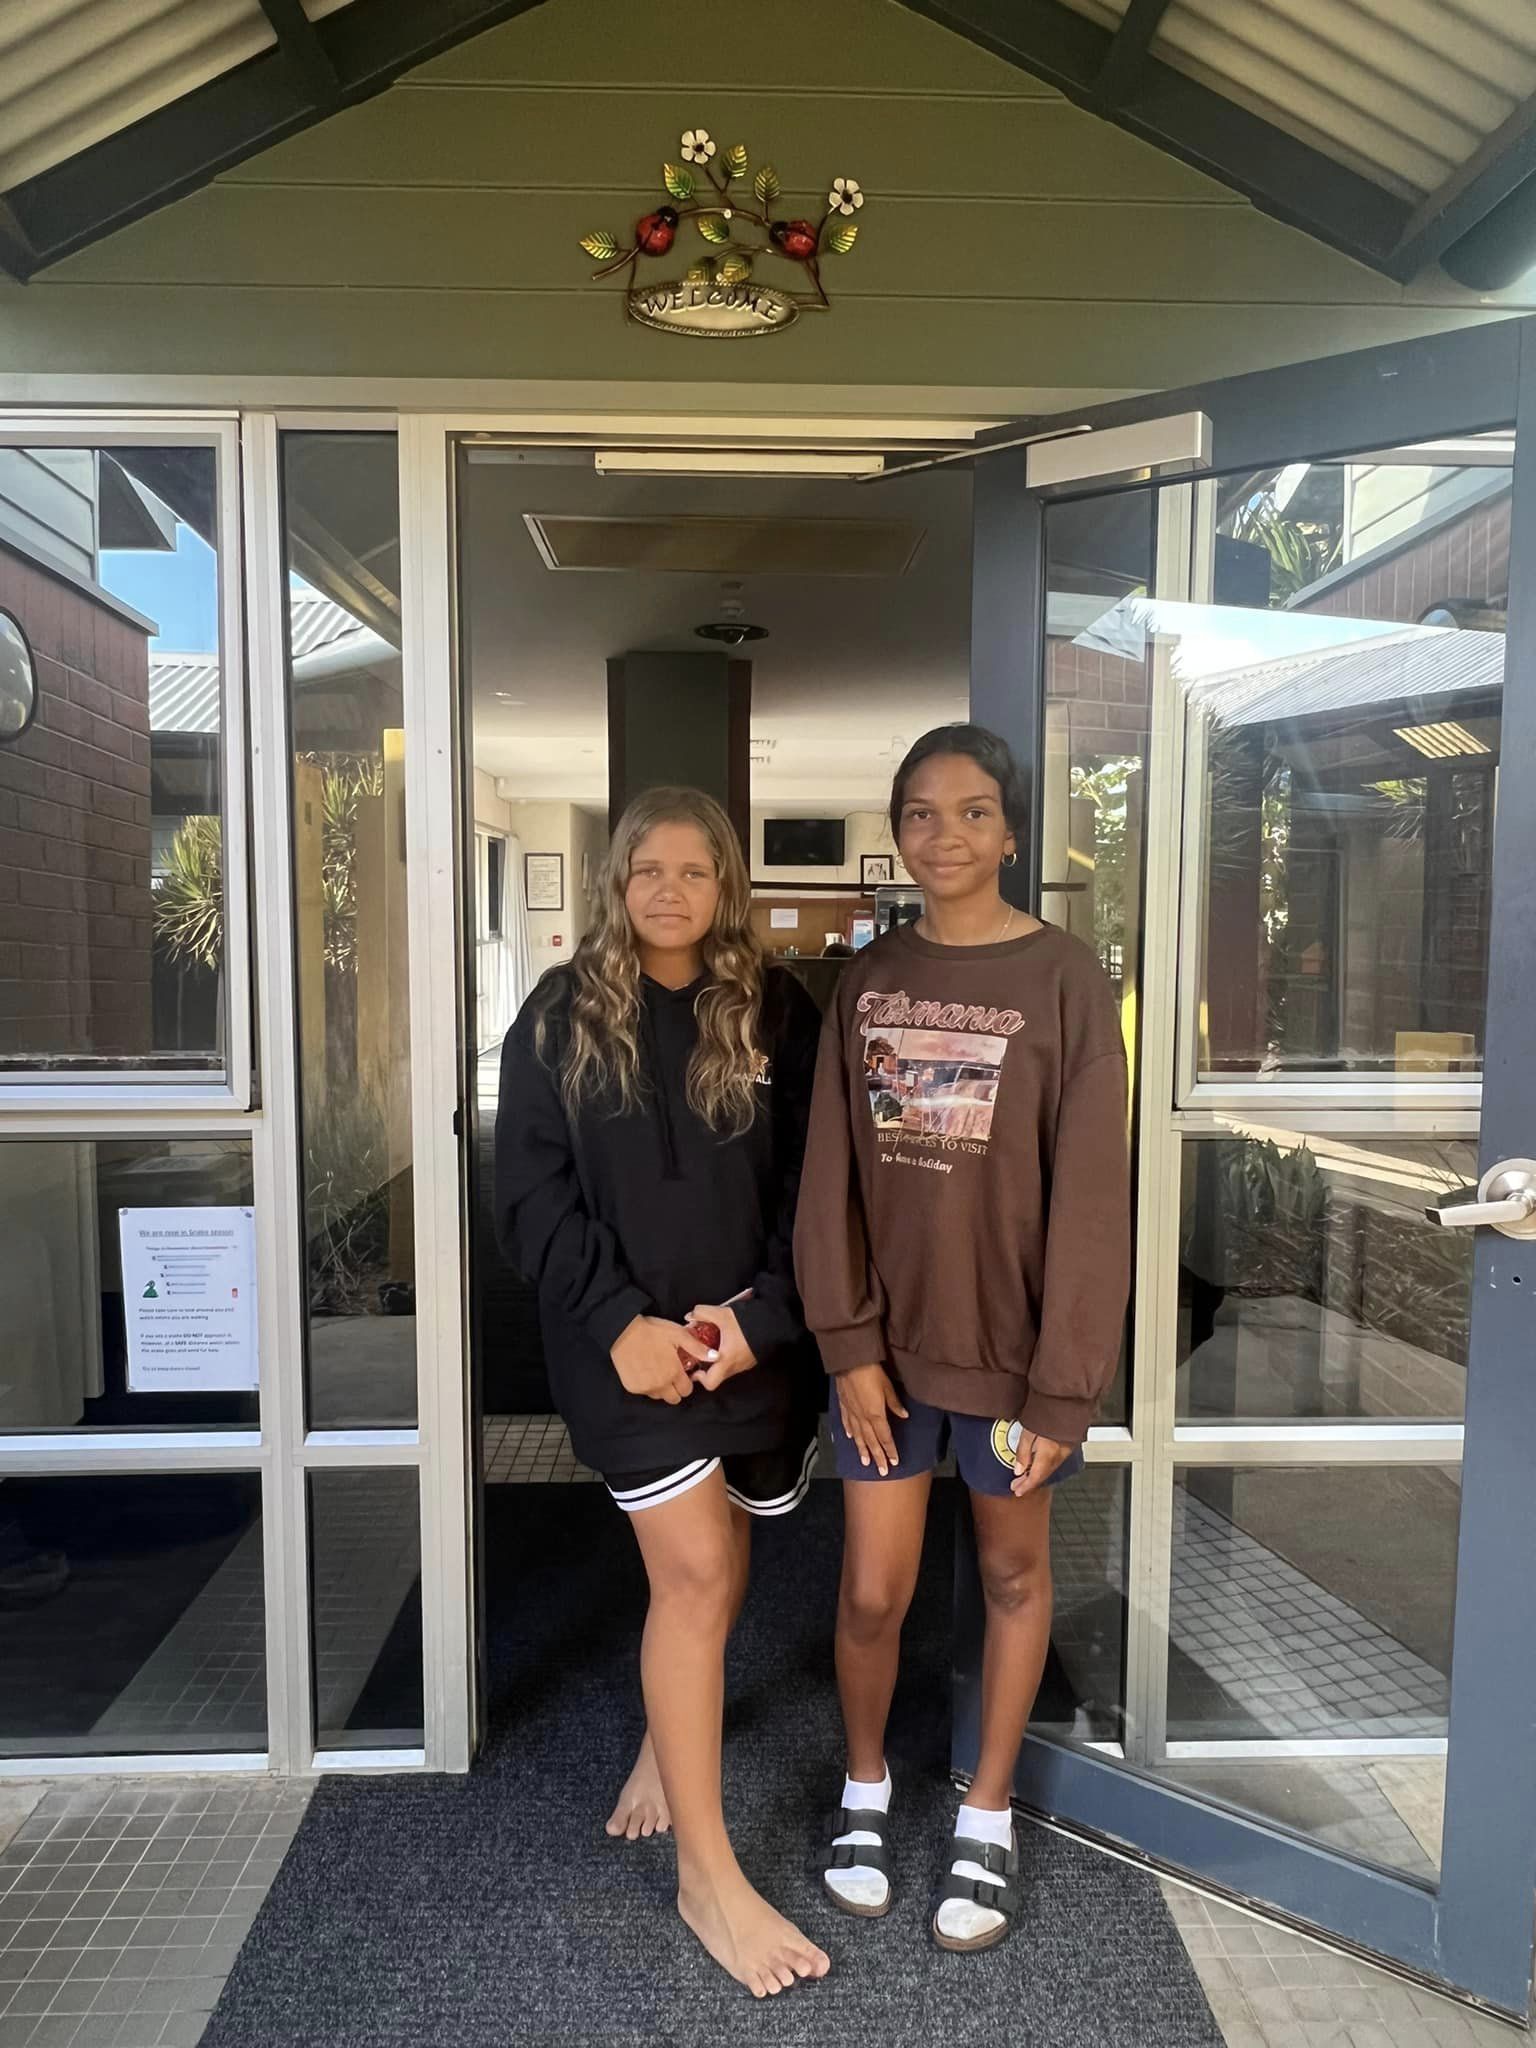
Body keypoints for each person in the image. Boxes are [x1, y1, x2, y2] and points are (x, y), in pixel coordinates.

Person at [794, 724, 1130, 1952]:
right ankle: (868, 1785)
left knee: (1007, 1576)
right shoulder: (867, 983)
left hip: (1012, 1367)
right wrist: (846, 1343)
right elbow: (829, 1175)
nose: (947, 835)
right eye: (923, 813)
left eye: (974, 811)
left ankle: (986, 1814)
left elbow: (1097, 1196)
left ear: (1012, 829)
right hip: (884, 1359)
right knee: (874, 1589)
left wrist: (1062, 1389)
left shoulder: (1066, 979)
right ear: (899, 830)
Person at [494, 786, 830, 1999]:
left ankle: (661, 1731)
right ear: (617, 882)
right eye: (648, 869)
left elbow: (816, 1187)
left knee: (722, 1570)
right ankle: (708, 1873)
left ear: (726, 885)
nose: (671, 890)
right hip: (621, 1355)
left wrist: (757, 1320)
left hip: (745, 1346)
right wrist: (617, 1324)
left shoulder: (779, 1010)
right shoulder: (559, 1014)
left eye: (696, 870)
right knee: (693, 1575)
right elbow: (530, 1196)